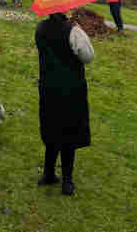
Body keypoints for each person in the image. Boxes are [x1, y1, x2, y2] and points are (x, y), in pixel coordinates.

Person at [35, 11, 94, 196]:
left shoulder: (40, 28)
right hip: (71, 89)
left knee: (52, 128)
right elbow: (88, 56)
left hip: (48, 86)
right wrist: (79, 31)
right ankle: (67, 182)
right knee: (68, 132)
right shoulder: (73, 31)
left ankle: (48, 174)